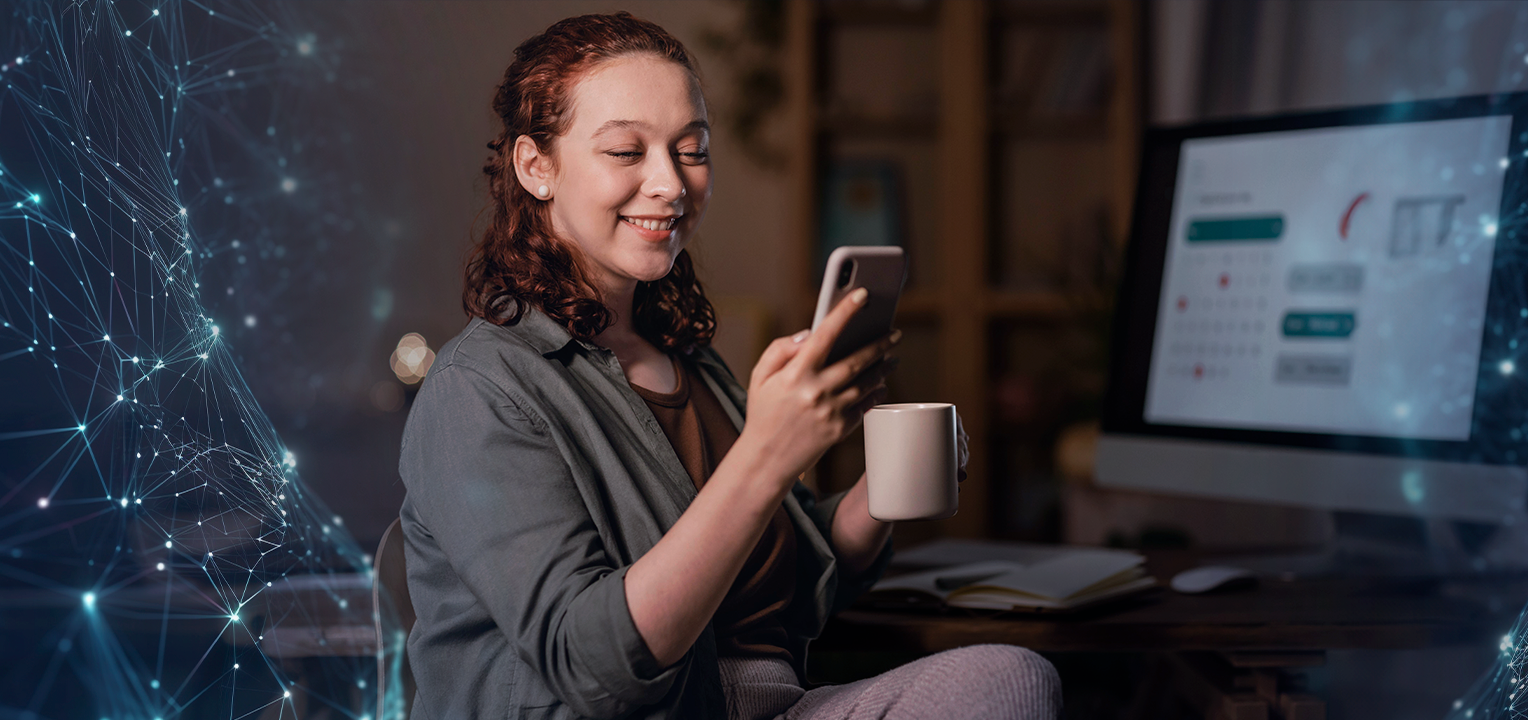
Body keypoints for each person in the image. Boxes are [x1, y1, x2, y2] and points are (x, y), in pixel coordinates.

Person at [396, 12, 1060, 720]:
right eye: (626, 151)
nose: (670, 184)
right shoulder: (480, 389)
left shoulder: (689, 361)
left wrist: (877, 496)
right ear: (536, 167)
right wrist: (767, 457)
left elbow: (782, 583)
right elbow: (592, 667)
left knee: (1010, 680)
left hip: (768, 704)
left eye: (692, 149)